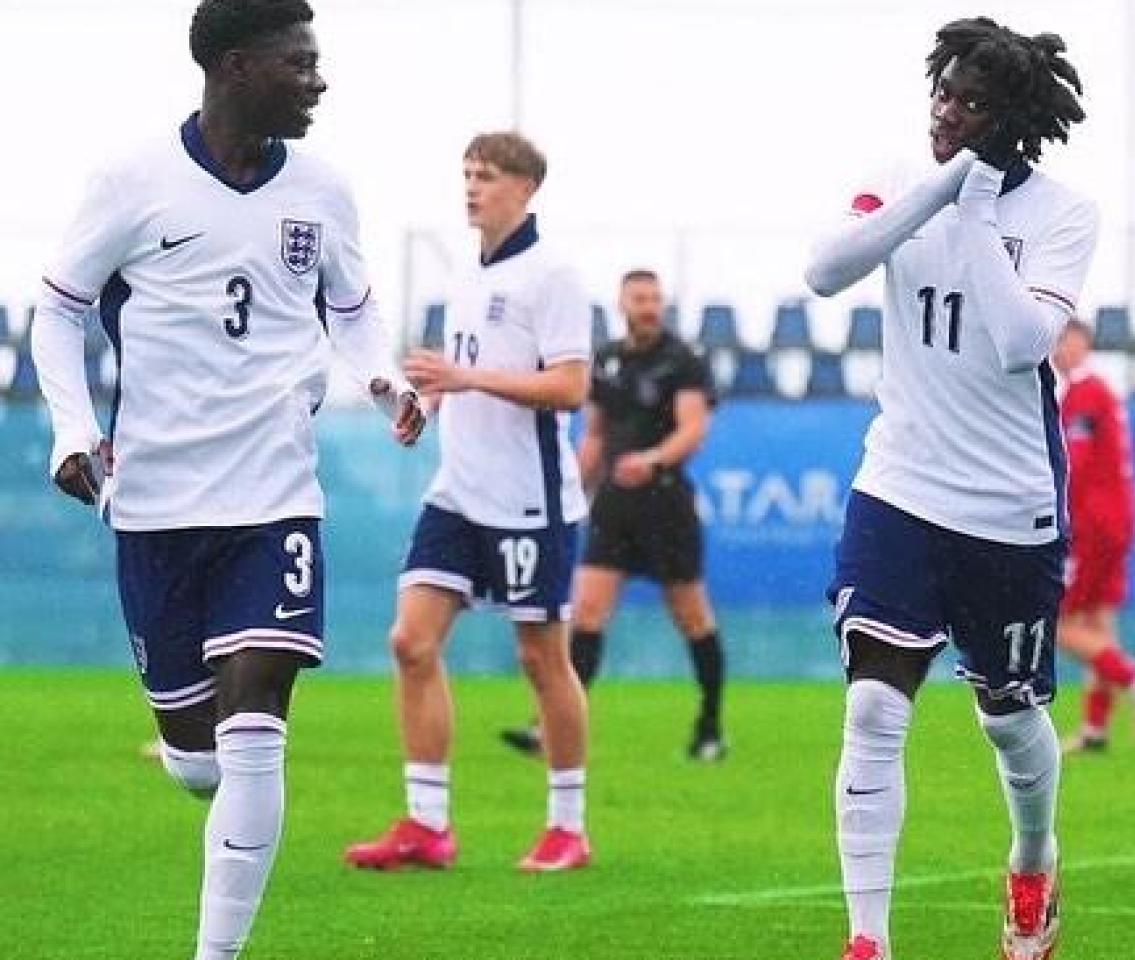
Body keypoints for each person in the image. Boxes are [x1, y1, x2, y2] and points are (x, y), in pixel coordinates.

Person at [32, 1, 424, 955]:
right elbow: (55, 310)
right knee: (197, 762)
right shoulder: (133, 180)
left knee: (257, 727)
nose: (318, 80)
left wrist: (384, 375)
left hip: (276, 500)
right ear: (239, 66)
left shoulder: (325, 188)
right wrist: (73, 431)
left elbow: (356, 307)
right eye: (300, 63)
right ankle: (188, 753)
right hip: (158, 508)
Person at [803, 17, 1097, 960]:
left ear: (1011, 119)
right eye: (943, 91)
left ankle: (1034, 858)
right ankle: (868, 937)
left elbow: (1021, 345)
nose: (946, 110)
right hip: (899, 483)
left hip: (1009, 507)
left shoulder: (1062, 215)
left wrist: (973, 213)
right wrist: (941, 188)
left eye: (970, 102)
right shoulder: (900, 174)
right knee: (873, 706)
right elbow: (824, 271)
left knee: (1009, 719)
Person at [344, 132, 595, 873]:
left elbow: (571, 387)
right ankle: (427, 824)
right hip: (458, 491)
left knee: (541, 658)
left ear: (525, 187)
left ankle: (568, 826)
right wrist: (424, 405)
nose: (471, 187)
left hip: (530, 501)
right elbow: (459, 378)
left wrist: (465, 378)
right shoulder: (464, 275)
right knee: (410, 642)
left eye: (486, 175)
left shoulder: (552, 275)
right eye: (466, 174)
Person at [499, 269, 726, 761]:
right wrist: (567, 489)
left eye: (655, 298)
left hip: (666, 502)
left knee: (691, 616)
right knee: (586, 614)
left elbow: (694, 430)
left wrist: (652, 460)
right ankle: (550, 726)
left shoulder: (683, 360)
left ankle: (710, 727)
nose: (648, 306)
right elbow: (597, 437)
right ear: (622, 303)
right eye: (639, 298)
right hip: (615, 506)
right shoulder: (605, 361)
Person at [1050, 318, 1135, 753]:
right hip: (1116, 520)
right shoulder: (1097, 392)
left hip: (1094, 525)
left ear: (1082, 342)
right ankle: (1096, 730)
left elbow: (1072, 468)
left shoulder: (1085, 393)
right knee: (1098, 622)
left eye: (1063, 339)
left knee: (1060, 623)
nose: (1057, 349)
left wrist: (1062, 523)